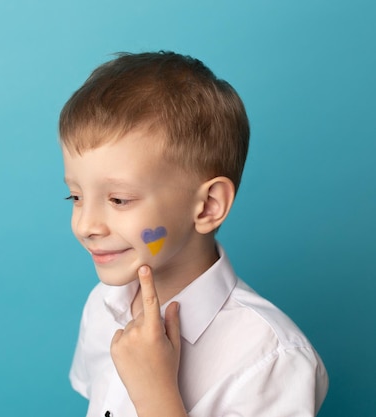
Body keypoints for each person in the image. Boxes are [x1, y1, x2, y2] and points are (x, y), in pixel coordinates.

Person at [59, 51, 328, 417]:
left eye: (119, 199)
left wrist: (156, 396)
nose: (86, 225)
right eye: (75, 196)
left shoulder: (271, 358)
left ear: (207, 206)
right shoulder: (103, 305)